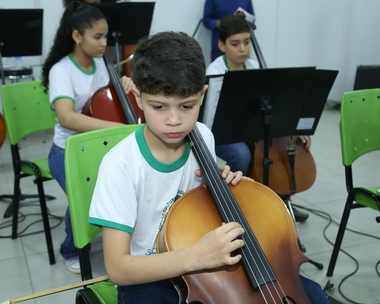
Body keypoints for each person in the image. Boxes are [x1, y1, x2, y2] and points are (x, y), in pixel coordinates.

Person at [88, 31, 328, 304]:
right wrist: (196, 256)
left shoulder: (203, 135)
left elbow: (199, 207)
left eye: (187, 105)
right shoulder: (120, 165)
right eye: (159, 106)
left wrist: (225, 186)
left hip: (208, 259)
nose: (174, 120)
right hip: (151, 274)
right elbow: (118, 269)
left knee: (314, 296)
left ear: (203, 96)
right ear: (138, 97)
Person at [42, 1, 134, 273]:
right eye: (97, 37)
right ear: (76, 36)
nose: (104, 43)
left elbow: (106, 100)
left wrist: (125, 85)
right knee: (84, 197)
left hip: (98, 146)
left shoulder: (101, 65)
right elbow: (67, 118)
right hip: (66, 150)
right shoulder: (62, 70)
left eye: (105, 35)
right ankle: (70, 248)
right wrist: (113, 128)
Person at [206, 15, 310, 222]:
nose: (242, 49)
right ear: (222, 45)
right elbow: (213, 117)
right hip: (223, 133)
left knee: (283, 146)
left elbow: (274, 104)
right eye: (235, 44)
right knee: (242, 155)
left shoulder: (255, 66)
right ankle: (232, 202)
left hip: (250, 129)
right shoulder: (215, 71)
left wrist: (293, 130)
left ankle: (280, 198)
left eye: (246, 42)